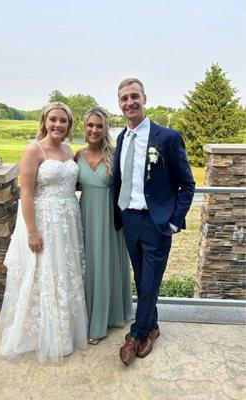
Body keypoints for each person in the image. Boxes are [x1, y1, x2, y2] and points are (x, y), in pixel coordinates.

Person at [113, 78, 195, 366]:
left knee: (149, 283)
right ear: (119, 103)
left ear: (145, 99)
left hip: (157, 223)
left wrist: (173, 222)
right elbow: (119, 180)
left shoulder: (168, 138)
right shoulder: (122, 138)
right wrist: (120, 216)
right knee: (144, 280)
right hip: (130, 219)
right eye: (123, 98)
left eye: (134, 96)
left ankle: (136, 335)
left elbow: (188, 185)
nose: (129, 102)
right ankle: (153, 327)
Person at [0, 102, 88, 363]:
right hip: (45, 221)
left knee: (64, 272)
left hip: (68, 221)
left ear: (69, 125)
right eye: (53, 119)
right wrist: (31, 232)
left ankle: (64, 329)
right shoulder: (34, 150)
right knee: (44, 272)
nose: (58, 125)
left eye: (63, 120)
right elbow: (25, 192)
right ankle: (43, 335)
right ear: (44, 121)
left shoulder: (69, 149)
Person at [75, 107, 132, 345]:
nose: (94, 129)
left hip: (110, 219)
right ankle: (85, 317)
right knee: (88, 265)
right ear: (84, 127)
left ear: (106, 128)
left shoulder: (116, 153)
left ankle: (102, 321)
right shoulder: (77, 155)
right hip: (86, 215)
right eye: (90, 125)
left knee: (105, 265)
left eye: (99, 125)